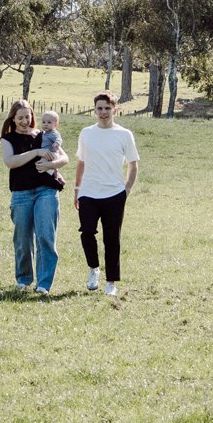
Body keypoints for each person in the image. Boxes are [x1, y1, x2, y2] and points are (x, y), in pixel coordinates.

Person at [72, 91, 141, 297]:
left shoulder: (124, 134)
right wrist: (77, 189)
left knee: (112, 239)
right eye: (99, 108)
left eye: (107, 108)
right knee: (86, 232)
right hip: (88, 192)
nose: (103, 112)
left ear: (115, 110)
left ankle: (111, 282)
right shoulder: (86, 133)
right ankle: (94, 269)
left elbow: (133, 165)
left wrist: (126, 190)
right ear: (94, 110)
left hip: (114, 194)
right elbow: (81, 163)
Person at [0, 98, 64, 294]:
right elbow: (10, 162)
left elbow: (65, 158)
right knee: (22, 238)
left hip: (46, 190)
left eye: (28, 117)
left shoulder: (44, 135)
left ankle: (43, 284)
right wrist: (36, 152)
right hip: (21, 193)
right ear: (13, 119)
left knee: (45, 236)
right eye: (20, 118)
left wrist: (51, 165)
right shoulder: (7, 139)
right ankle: (23, 280)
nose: (25, 121)